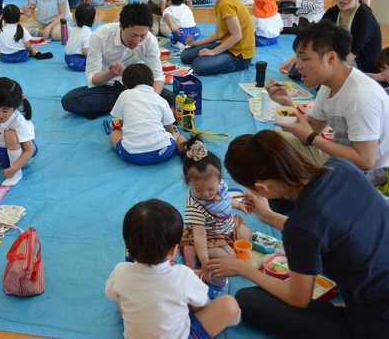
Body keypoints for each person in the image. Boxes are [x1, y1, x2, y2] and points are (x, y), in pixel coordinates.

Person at [207, 130, 389, 338]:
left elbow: (298, 299)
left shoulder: (301, 227)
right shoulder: (340, 166)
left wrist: (244, 269)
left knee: (247, 300)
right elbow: (325, 228)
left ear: (262, 187)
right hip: (377, 284)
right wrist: (269, 217)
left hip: (377, 323)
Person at [265, 19, 389, 173]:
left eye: (305, 58)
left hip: (367, 177)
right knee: (274, 139)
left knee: (280, 163)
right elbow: (310, 131)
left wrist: (312, 138)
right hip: (344, 164)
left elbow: (365, 162)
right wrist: (286, 103)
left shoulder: (360, 96)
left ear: (331, 58)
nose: (298, 66)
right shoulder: (328, 86)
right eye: (298, 58)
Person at [106, 198, 241, 339]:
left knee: (120, 295)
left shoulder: (119, 271)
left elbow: (113, 295)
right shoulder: (184, 275)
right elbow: (199, 306)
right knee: (229, 305)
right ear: (174, 250)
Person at [61, 3, 175, 119]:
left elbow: (157, 77)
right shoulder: (100, 36)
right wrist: (111, 73)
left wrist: (152, 99)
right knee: (70, 100)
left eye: (142, 35)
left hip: (135, 87)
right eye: (133, 35)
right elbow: (92, 79)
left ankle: (117, 107)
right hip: (106, 87)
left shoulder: (150, 40)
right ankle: (128, 105)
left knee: (171, 98)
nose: (137, 41)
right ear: (121, 26)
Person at [179, 136, 251, 280]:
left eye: (211, 189)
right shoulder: (196, 207)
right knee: (230, 257)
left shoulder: (221, 185)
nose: (206, 194)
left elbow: (225, 199)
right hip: (210, 235)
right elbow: (200, 235)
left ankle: (213, 248)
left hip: (227, 225)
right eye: (198, 190)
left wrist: (239, 205)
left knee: (247, 235)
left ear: (219, 177)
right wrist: (204, 259)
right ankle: (193, 250)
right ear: (187, 181)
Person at [181, 0, 255, 76]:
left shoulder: (226, 4)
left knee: (198, 65)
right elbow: (218, 34)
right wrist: (197, 44)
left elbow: (237, 35)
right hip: (229, 46)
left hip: (240, 55)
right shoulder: (219, 2)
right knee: (185, 55)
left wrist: (214, 52)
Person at [109, 64, 186, 165]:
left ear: (126, 87)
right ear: (153, 84)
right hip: (163, 152)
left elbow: (121, 125)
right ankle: (186, 153)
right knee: (177, 136)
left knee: (114, 134)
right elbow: (169, 130)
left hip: (131, 155)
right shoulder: (161, 100)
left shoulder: (124, 95)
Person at [323, 0, 381, 73]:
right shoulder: (333, 12)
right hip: (337, 60)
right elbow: (317, 36)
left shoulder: (364, 19)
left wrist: (323, 68)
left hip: (361, 69)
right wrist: (298, 57)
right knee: (298, 68)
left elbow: (351, 54)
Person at [65, 3, 94, 71]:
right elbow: (85, 52)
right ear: (93, 20)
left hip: (67, 58)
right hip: (78, 62)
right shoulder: (89, 34)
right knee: (99, 60)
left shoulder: (74, 29)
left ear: (75, 19)